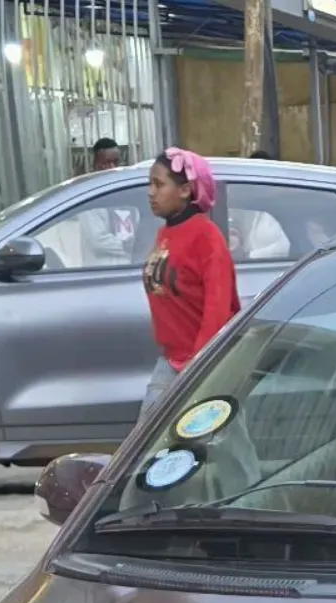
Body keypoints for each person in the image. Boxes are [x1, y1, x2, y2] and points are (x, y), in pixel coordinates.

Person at [140, 148, 238, 413]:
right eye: (150, 184)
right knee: (155, 438)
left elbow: (217, 311)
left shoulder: (206, 237)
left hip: (205, 364)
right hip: (173, 360)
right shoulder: (166, 232)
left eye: (159, 184)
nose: (151, 192)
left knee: (216, 437)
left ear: (185, 190)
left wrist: (198, 368)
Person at [79, 138, 137, 267]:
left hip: (132, 271)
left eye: (115, 162)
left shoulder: (127, 191)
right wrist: (128, 246)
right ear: (95, 164)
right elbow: (97, 241)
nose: (112, 168)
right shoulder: (89, 196)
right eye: (105, 163)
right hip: (102, 275)